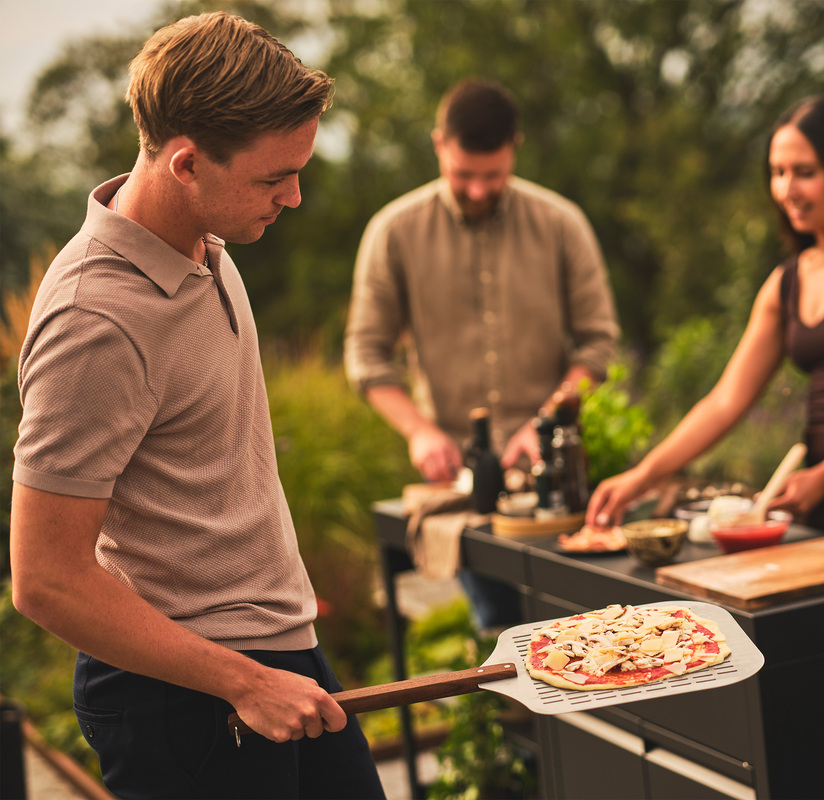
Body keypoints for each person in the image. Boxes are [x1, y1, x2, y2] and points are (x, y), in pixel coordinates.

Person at [10, 13, 385, 800]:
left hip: (273, 652)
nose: (295, 196)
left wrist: (270, 591)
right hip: (184, 701)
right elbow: (45, 577)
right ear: (186, 164)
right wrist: (241, 679)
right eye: (272, 177)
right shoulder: (96, 321)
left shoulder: (209, 243)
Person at [344, 77, 620, 627]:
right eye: (463, 175)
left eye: (491, 176)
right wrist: (419, 431)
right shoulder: (393, 232)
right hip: (465, 489)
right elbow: (366, 355)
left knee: (586, 627)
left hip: (560, 476)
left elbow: (598, 344)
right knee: (502, 632)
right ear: (438, 145)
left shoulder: (562, 224)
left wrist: (544, 422)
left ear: (515, 147)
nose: (476, 189)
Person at [587, 95, 824, 533]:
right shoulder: (785, 283)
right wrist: (643, 477)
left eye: (805, 173)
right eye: (777, 172)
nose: (787, 189)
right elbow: (725, 401)